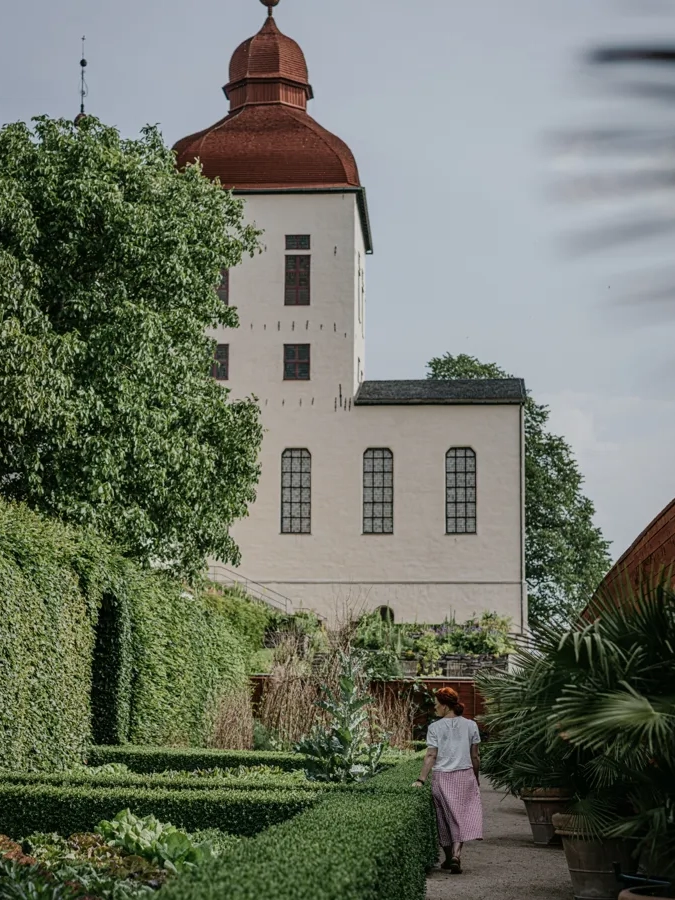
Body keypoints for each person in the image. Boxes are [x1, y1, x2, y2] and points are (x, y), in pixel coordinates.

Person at [412, 687, 482, 874]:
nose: (434, 708)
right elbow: (475, 756)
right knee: (461, 817)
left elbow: (431, 755)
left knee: (443, 818)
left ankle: (450, 857)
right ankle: (456, 855)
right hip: (465, 776)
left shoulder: (435, 727)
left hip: (442, 777)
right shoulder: (471, 725)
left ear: (445, 706)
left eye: (436, 705)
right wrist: (475, 778)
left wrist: (421, 779)